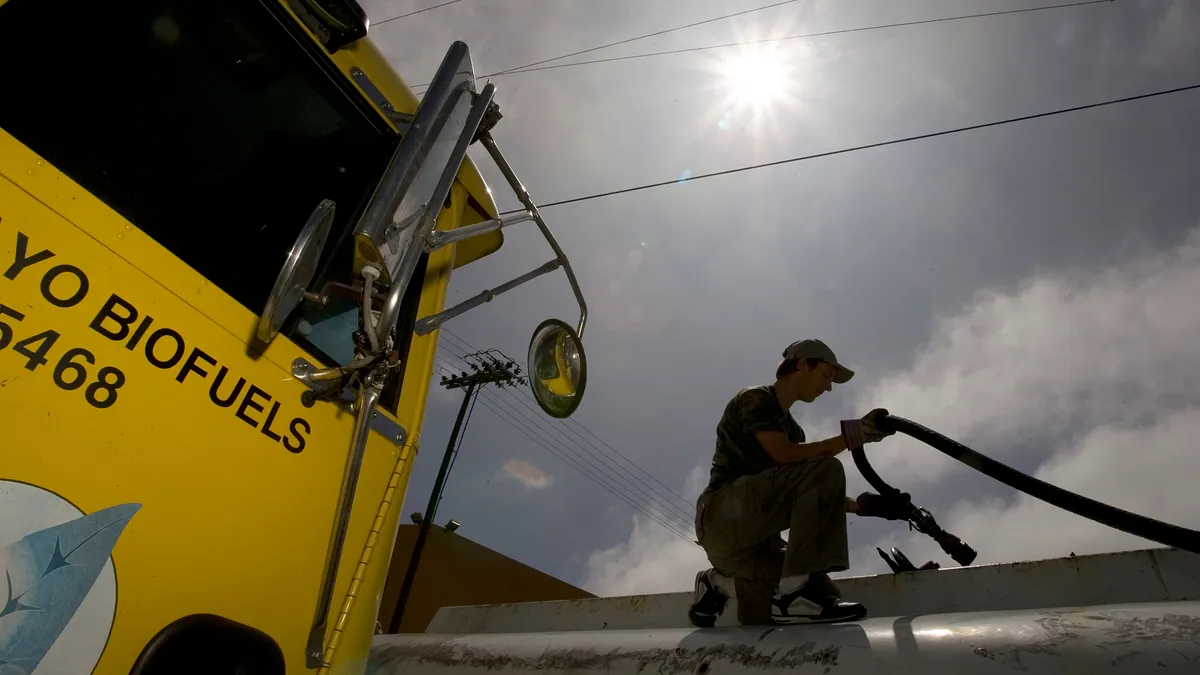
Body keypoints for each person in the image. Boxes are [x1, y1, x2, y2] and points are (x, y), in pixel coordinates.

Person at [688, 338, 907, 627]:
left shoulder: (794, 431)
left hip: (750, 545)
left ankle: (718, 584)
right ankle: (791, 596)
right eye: (826, 375)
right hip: (721, 517)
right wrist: (857, 435)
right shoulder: (755, 398)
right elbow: (785, 455)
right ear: (803, 364)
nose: (828, 387)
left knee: (821, 590)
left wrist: (865, 507)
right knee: (827, 468)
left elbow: (808, 491)